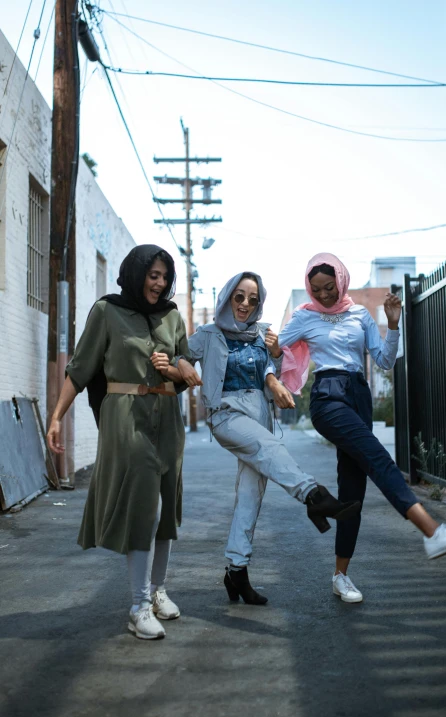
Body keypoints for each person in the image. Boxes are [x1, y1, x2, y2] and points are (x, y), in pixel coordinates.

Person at [274, 252, 446, 604]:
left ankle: (341, 576)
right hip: (327, 398)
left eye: (329, 287)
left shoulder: (360, 314)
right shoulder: (304, 317)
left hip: (358, 397)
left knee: (353, 491)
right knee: (379, 458)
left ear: (341, 281)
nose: (323, 295)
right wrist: (273, 375)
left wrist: (394, 324)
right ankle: (432, 531)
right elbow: (274, 348)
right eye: (316, 289)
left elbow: (384, 361)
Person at [47, 245, 201, 640]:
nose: (160, 283)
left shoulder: (170, 315)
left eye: (165, 276)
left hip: (167, 418)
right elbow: (80, 369)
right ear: (136, 273)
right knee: (145, 507)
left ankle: (159, 589)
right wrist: (56, 418)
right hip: (126, 415)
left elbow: (186, 369)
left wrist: (178, 368)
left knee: (166, 507)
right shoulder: (107, 311)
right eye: (153, 275)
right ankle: (138, 605)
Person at [187, 271, 360, 605]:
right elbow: (182, 355)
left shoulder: (263, 334)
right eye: (239, 297)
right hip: (227, 413)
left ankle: (236, 570)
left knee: (250, 495)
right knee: (270, 448)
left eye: (253, 299)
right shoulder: (208, 334)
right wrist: (181, 365)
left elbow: (277, 373)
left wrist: (278, 354)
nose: (245, 304)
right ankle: (313, 494)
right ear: (227, 297)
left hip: (260, 413)